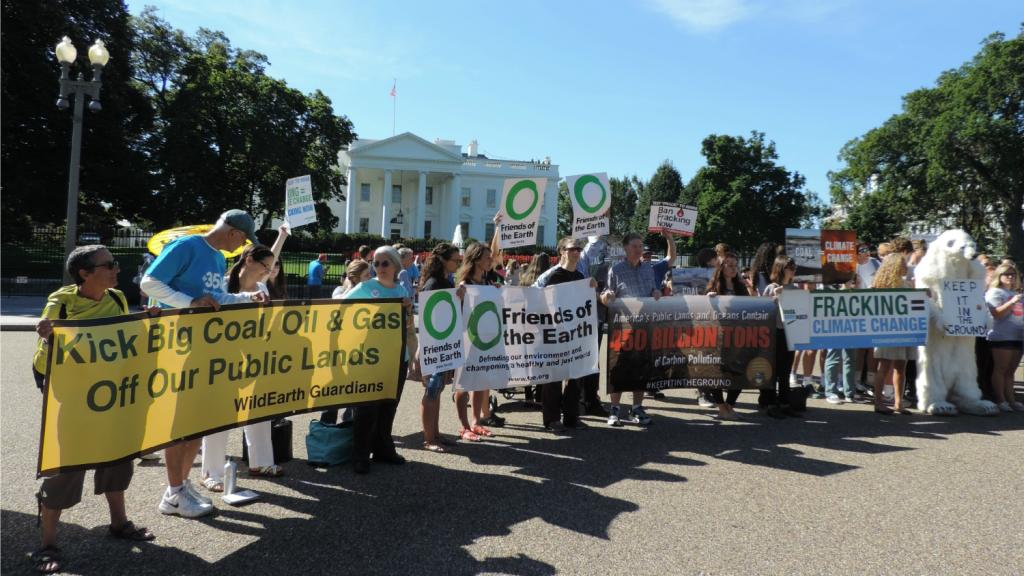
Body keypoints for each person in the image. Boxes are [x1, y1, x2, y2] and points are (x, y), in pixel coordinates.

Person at [31, 245, 156, 574]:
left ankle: (119, 523)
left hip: (111, 395)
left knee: (118, 455)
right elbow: (44, 360)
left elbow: (127, 340)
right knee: (66, 467)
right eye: (109, 265)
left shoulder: (115, 298)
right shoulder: (63, 302)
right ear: (85, 274)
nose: (117, 269)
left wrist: (149, 322)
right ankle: (47, 544)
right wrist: (47, 338)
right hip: (73, 398)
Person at [140, 209, 267, 518]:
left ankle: (179, 488)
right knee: (179, 423)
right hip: (176, 346)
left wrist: (248, 299)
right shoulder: (187, 246)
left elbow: (215, 299)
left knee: (194, 421)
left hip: (201, 347)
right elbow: (149, 283)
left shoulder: (217, 258)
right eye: (244, 240)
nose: (242, 247)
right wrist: (189, 303)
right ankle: (174, 491)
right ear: (235, 234)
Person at [199, 244, 287, 494]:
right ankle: (211, 472)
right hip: (224, 357)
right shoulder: (223, 285)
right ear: (248, 260)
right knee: (221, 414)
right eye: (265, 266)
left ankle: (261, 462)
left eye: (271, 267)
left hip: (254, 355)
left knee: (258, 408)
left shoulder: (261, 287)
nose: (268, 272)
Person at [342, 246, 413, 473]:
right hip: (371, 358)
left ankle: (383, 448)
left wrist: (409, 309)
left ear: (395, 266)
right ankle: (360, 454)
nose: (380, 268)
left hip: (397, 356)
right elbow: (339, 309)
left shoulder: (402, 290)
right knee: (367, 408)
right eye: (376, 263)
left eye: (385, 263)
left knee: (389, 405)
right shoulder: (366, 287)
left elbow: (408, 326)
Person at [599, 232, 668, 427]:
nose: (639, 249)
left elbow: (654, 291)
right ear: (626, 249)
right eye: (635, 246)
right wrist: (607, 296)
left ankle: (637, 407)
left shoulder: (649, 269)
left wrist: (656, 292)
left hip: (644, 326)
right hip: (622, 326)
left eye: (640, 246)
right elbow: (605, 296)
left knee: (642, 368)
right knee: (619, 367)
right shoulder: (616, 269)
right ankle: (614, 409)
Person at [532, 237, 598, 430]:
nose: (576, 252)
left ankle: (572, 416)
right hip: (553, 335)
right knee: (553, 378)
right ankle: (552, 419)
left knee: (575, 376)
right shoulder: (551, 275)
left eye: (578, 249)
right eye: (572, 249)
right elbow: (532, 296)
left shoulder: (580, 277)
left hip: (574, 335)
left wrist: (591, 288)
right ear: (562, 252)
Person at [453, 242, 507, 441]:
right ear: (476, 259)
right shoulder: (463, 284)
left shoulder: (487, 281)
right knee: (464, 383)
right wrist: (458, 297)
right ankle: (464, 425)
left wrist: (496, 292)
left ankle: (476, 421)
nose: (490, 260)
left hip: (484, 341)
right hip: (467, 340)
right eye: (486, 257)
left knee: (481, 380)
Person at [418, 243, 464, 452]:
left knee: (437, 390)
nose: (458, 263)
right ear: (444, 260)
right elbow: (433, 317)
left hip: (443, 344)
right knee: (432, 391)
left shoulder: (443, 281)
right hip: (435, 346)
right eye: (455, 260)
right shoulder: (434, 283)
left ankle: (435, 434)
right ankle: (429, 439)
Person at [703, 251, 754, 419]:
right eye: (730, 265)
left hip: (737, 336)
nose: (733, 269)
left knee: (739, 370)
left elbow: (750, 307)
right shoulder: (713, 286)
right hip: (718, 336)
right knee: (716, 372)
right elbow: (702, 309)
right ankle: (721, 406)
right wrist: (708, 298)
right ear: (722, 267)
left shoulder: (741, 287)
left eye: (735, 266)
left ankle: (730, 405)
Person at [870, 254, 915, 415]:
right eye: (903, 263)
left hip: (904, 330)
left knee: (900, 367)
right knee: (884, 366)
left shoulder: (906, 285)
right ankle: (878, 402)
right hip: (886, 330)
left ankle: (898, 402)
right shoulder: (879, 286)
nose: (906, 266)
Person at [761, 256, 799, 418]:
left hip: (790, 332)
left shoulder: (794, 288)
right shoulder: (772, 287)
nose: (793, 270)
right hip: (775, 332)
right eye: (790, 267)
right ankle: (769, 402)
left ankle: (785, 402)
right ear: (781, 269)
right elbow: (762, 309)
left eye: (793, 267)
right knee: (773, 369)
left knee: (786, 369)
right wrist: (775, 298)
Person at [985, 262, 1024, 412]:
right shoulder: (995, 292)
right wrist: (1011, 302)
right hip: (1001, 335)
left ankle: (1011, 400)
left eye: (1013, 274)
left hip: (1018, 336)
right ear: (999, 276)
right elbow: (997, 314)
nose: (1010, 277)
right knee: (1000, 368)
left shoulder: (1016, 293)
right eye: (1006, 274)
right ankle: (1001, 399)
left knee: (1011, 371)